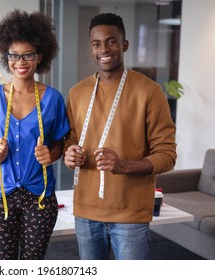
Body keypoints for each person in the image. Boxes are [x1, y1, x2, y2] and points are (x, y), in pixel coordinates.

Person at [64, 12, 177, 260]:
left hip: (130, 213)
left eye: (111, 41)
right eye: (96, 43)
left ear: (124, 45)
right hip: (85, 211)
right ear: (91, 48)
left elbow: (167, 155)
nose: (104, 49)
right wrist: (69, 154)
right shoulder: (77, 93)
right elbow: (71, 140)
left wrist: (124, 165)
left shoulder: (149, 91)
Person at [0, 9, 70, 260]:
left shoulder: (52, 98)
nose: (20, 62)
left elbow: (60, 144)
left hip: (39, 197)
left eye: (28, 54)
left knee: (33, 264)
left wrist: (50, 154)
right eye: (14, 55)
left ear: (39, 56)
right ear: (5, 56)